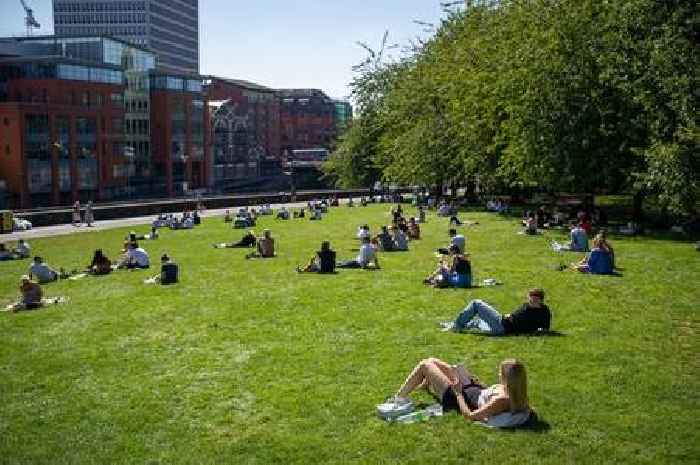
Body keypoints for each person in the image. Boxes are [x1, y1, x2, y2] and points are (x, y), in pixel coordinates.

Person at [388, 358, 530, 424]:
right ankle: (426, 383)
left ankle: (398, 398)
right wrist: (478, 383)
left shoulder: (501, 401)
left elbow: (470, 415)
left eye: (501, 373)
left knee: (425, 365)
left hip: (458, 395)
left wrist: (458, 393)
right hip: (472, 388)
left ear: (507, 379)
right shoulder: (517, 392)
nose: (498, 375)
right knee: (433, 360)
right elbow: (486, 395)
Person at [443, 289, 551, 335]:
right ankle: (453, 324)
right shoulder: (530, 307)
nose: (530, 301)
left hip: (503, 325)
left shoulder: (542, 312)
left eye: (533, 299)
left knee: (476, 303)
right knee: (477, 322)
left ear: (540, 300)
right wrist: (510, 316)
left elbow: (544, 328)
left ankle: (456, 325)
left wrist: (512, 319)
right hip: (503, 326)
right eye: (530, 298)